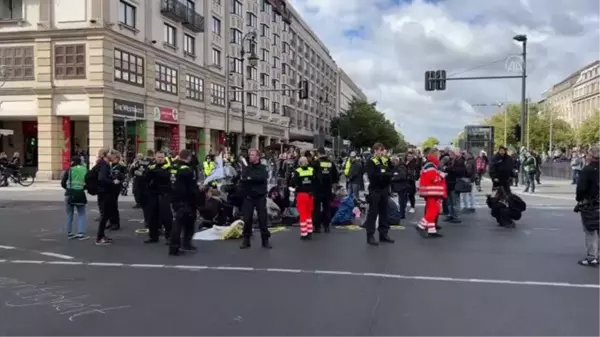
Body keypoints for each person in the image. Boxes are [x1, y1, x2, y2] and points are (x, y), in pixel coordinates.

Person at [169, 149, 200, 256]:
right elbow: (192, 188)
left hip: (175, 199)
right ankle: (183, 245)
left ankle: (175, 246)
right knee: (188, 223)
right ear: (188, 157)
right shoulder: (187, 170)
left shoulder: (173, 167)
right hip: (186, 200)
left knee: (178, 223)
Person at [363, 143, 394, 246]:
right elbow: (372, 176)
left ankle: (383, 234)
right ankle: (370, 235)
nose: (382, 152)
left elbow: (392, 172)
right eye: (380, 150)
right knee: (373, 213)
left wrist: (384, 174)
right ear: (375, 150)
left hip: (384, 189)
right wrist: (384, 174)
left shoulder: (385, 160)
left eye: (382, 150)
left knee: (384, 212)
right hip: (375, 190)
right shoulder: (370, 161)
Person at [239, 149, 272, 249]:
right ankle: (246, 240)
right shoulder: (247, 168)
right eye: (250, 155)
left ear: (258, 157)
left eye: (253, 155)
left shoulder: (262, 168)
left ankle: (265, 240)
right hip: (248, 197)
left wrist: (250, 177)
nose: (250, 156)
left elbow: (261, 178)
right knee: (247, 219)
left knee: (262, 219)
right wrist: (247, 177)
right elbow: (243, 179)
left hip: (260, 197)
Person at [575, 145, 600, 266]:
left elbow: (581, 189)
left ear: (591, 156)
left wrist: (579, 200)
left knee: (590, 230)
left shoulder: (587, 170)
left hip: (591, 204)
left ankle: (591, 257)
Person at [417, 147, 446, 237]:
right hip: (432, 191)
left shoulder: (429, 164)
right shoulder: (431, 165)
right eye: (438, 154)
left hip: (430, 191)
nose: (439, 156)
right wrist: (441, 176)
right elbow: (433, 178)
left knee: (431, 210)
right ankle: (421, 225)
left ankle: (431, 230)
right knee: (433, 210)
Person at [145, 151, 173, 244]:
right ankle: (153, 236)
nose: (160, 159)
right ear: (155, 157)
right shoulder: (151, 166)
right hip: (153, 193)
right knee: (152, 216)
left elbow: (165, 175)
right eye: (158, 157)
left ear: (164, 158)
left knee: (166, 216)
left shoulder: (168, 166)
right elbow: (145, 176)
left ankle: (169, 236)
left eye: (162, 157)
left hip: (164, 193)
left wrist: (154, 172)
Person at [61, 156, 89, 240]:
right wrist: (82, 188)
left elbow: (63, 182)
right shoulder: (85, 169)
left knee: (69, 214)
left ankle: (69, 233)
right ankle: (81, 233)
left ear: (73, 162)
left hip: (69, 193)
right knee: (81, 214)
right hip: (80, 193)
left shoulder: (69, 170)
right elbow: (88, 181)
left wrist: (68, 188)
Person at [312, 147, 339, 233]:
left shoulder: (315, 163)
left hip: (317, 189)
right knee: (327, 208)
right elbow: (336, 177)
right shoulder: (331, 163)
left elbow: (312, 175)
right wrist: (334, 188)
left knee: (316, 208)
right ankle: (326, 226)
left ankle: (317, 227)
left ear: (319, 153)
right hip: (328, 189)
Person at [95, 149, 120, 245]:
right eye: (111, 153)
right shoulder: (104, 165)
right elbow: (102, 178)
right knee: (104, 215)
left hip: (104, 193)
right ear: (106, 155)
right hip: (104, 193)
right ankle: (99, 237)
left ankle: (101, 235)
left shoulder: (104, 164)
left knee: (106, 214)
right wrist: (113, 181)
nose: (113, 155)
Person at [291, 156, 315, 239]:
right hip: (310, 195)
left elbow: (292, 183)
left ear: (300, 163)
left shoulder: (297, 171)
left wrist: (293, 189)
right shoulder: (312, 170)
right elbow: (317, 182)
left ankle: (304, 233)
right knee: (309, 214)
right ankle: (310, 231)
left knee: (303, 215)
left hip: (301, 195)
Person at [130, 149, 154, 227]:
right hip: (140, 185)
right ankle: (147, 221)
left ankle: (149, 222)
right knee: (145, 205)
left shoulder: (150, 163)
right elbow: (132, 171)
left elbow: (148, 173)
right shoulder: (136, 163)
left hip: (147, 186)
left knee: (149, 206)